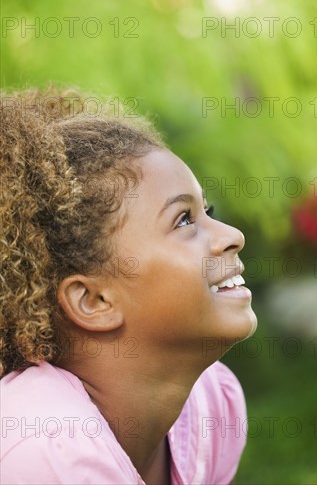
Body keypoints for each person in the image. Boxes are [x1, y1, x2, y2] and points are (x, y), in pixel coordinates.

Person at [0, 87, 257, 485]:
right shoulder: (42, 451)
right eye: (184, 220)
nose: (232, 235)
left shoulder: (211, 405)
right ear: (94, 300)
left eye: (208, 212)